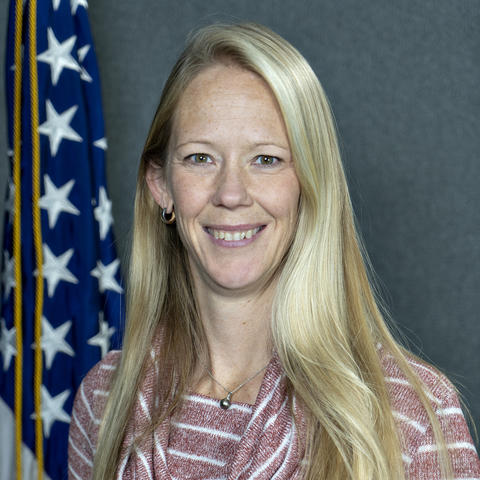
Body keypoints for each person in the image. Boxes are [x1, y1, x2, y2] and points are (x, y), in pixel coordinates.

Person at [68, 23, 480, 480]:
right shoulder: (104, 399)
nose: (231, 194)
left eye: (266, 159)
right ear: (161, 185)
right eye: (200, 158)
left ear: (309, 184)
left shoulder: (412, 418)